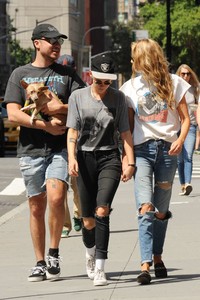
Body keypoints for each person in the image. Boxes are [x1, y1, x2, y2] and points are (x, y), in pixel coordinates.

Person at [3, 23, 85, 282]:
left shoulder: (68, 74)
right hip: (31, 150)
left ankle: (53, 253)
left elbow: (82, 105)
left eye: (58, 40)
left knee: (57, 195)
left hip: (61, 148)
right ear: (37, 43)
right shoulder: (20, 74)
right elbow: (14, 113)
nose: (56, 44)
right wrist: (45, 126)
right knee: (36, 206)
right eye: (51, 40)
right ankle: (39, 261)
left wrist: (58, 109)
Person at [120, 39, 190, 285]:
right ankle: (145, 264)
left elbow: (185, 119)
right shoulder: (129, 87)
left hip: (168, 151)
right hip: (142, 151)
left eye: (134, 56)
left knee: (160, 212)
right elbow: (127, 127)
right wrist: (126, 159)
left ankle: (158, 257)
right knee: (145, 208)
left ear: (145, 57)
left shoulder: (174, 82)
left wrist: (180, 140)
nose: (132, 61)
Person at [67, 54, 135, 286]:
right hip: (84, 158)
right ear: (91, 76)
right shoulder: (77, 97)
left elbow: (125, 133)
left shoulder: (119, 98)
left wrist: (130, 162)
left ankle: (100, 267)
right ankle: (89, 253)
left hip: (109, 158)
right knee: (87, 220)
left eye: (108, 81)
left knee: (102, 210)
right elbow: (72, 132)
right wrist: (71, 159)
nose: (104, 86)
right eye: (100, 81)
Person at [56, 54, 83, 238]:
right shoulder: (53, 84)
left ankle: (78, 215)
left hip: (76, 142)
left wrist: (58, 107)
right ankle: (65, 223)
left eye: (70, 67)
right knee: (61, 187)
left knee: (77, 185)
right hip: (57, 142)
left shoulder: (79, 85)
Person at [176, 64, 200, 195]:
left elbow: (198, 108)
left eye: (188, 74)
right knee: (180, 159)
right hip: (176, 127)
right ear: (179, 74)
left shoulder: (195, 89)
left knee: (188, 156)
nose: (186, 76)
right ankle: (183, 184)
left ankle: (188, 183)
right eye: (183, 74)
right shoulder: (174, 88)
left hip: (190, 126)